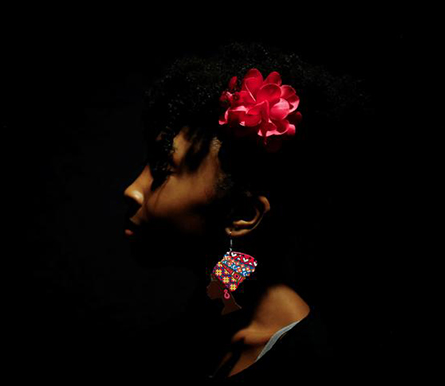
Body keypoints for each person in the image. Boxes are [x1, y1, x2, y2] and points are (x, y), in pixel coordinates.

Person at [121, 41, 373, 381]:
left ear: (242, 214)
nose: (132, 190)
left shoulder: (309, 366)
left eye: (163, 170)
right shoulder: (207, 321)